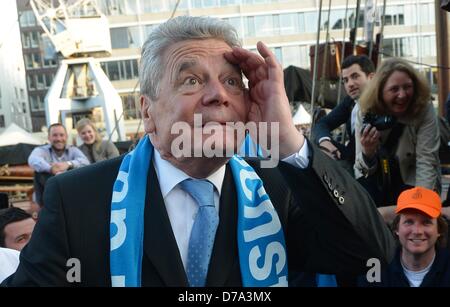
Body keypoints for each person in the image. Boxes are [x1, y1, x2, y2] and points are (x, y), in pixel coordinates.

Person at [3, 16, 395, 287]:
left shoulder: (278, 186)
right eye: (191, 80)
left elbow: (370, 253)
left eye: (231, 81)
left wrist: (288, 141)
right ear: (148, 111)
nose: (218, 95)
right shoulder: (77, 200)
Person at [354, 58, 441, 221]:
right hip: (378, 179)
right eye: (394, 89)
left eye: (407, 87)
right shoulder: (365, 110)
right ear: (380, 91)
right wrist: (368, 152)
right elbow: (361, 168)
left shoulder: (423, 108)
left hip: (412, 178)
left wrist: (420, 208)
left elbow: (427, 161)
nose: (402, 95)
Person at [359, 186, 450, 287]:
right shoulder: (375, 269)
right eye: (409, 222)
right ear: (396, 229)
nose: (417, 231)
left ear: (439, 229)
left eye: (426, 222)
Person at [313, 55, 375, 170]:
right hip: (351, 160)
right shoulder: (350, 102)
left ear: (371, 78)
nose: (350, 84)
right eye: (345, 80)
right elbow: (322, 124)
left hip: (378, 168)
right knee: (311, 146)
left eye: (355, 76)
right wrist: (325, 141)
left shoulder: (383, 102)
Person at [28, 123, 90, 207]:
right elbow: (32, 160)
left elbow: (86, 162)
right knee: (38, 173)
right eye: (55, 135)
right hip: (49, 193)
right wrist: (50, 169)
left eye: (61, 135)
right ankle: (43, 208)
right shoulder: (41, 150)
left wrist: (68, 164)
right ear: (49, 138)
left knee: (77, 170)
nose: (59, 139)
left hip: (70, 190)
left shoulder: (73, 150)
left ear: (66, 137)